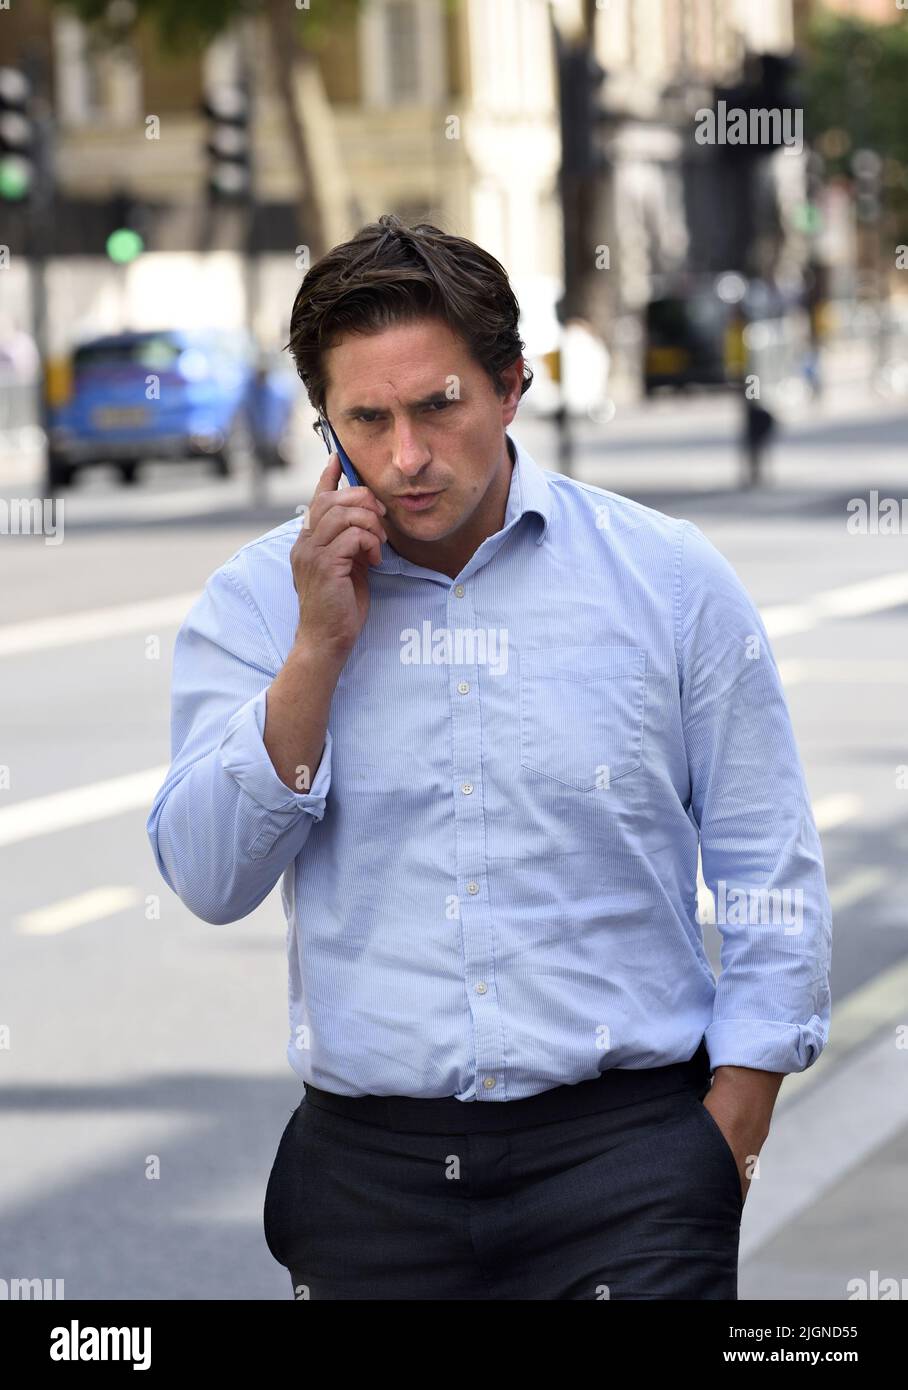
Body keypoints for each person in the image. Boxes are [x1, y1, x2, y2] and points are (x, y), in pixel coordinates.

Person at [147, 213, 832, 1301]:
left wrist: (725, 1142)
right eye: (365, 420)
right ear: (323, 422)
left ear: (511, 386)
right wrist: (316, 650)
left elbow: (767, 867)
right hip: (371, 1182)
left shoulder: (666, 579)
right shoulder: (255, 600)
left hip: (630, 1166)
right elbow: (206, 877)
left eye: (438, 406)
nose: (405, 456)